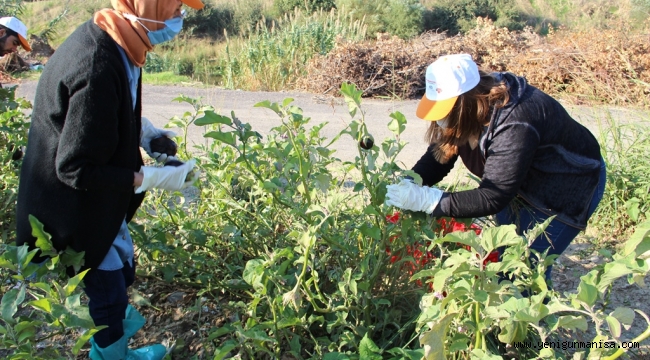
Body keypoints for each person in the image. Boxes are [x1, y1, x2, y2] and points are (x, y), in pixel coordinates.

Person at [15, 1, 204, 359]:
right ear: (152, 5)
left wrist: (146, 135)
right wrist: (151, 177)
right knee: (107, 291)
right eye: (176, 7)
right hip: (70, 207)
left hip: (93, 199)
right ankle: (110, 355)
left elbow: (108, 111)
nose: (181, 17)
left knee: (122, 273)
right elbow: (75, 168)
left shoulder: (121, 39)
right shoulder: (96, 63)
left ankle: (115, 347)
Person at [385, 53, 606, 280]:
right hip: (517, 186)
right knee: (506, 260)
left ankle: (537, 315)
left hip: (565, 190)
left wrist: (428, 200)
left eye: (446, 110)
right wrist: (411, 182)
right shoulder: (471, 112)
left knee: (523, 273)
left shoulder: (515, 122)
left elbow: (492, 196)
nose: (441, 120)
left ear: (467, 101)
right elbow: (441, 154)